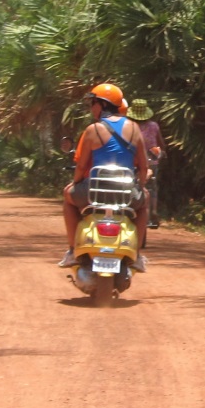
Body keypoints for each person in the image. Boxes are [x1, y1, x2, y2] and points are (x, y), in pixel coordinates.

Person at [58, 83, 150, 273]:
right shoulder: (134, 128)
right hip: (125, 193)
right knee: (145, 202)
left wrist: (74, 184)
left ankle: (72, 250)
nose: (92, 108)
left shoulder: (93, 130)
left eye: (93, 103)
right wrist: (140, 186)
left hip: (94, 192)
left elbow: (82, 166)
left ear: (102, 104)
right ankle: (138, 255)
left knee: (68, 197)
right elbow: (143, 166)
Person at [127, 99, 165, 228]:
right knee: (152, 187)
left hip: (133, 160)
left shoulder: (129, 126)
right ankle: (153, 211)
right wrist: (161, 153)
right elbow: (161, 144)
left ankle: (129, 208)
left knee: (130, 184)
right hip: (151, 160)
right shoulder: (154, 126)